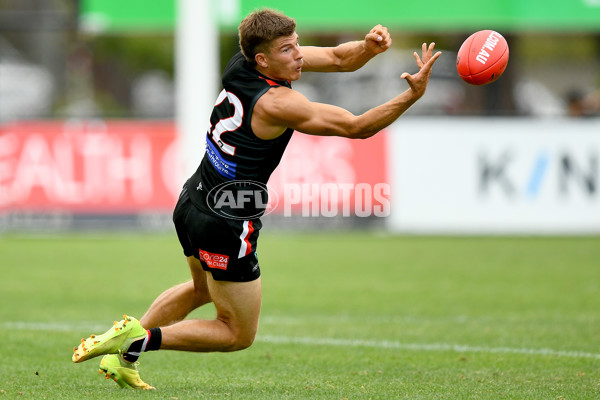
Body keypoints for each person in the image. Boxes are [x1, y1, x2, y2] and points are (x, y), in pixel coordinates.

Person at [71, 8, 441, 389]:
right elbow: (356, 126)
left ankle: (125, 355)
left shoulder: (245, 61)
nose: (298, 54)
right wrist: (411, 96)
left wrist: (368, 47)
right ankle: (138, 339)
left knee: (201, 289)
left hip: (192, 200)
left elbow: (335, 58)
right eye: (288, 49)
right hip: (226, 221)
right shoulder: (278, 103)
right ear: (263, 59)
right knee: (236, 334)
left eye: (297, 44)